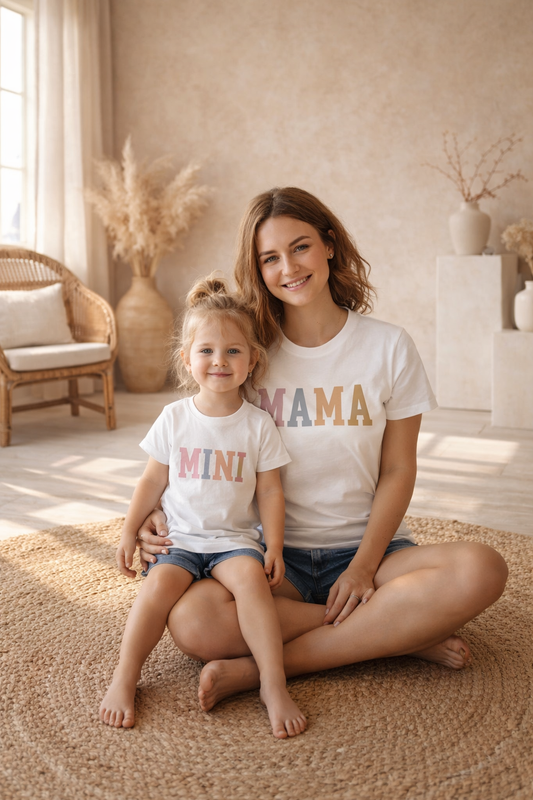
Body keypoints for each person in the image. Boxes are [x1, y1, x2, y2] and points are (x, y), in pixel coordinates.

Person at [137, 187, 508, 714]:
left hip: (373, 557)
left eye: (300, 246)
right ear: (257, 268)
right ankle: (394, 632)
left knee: (483, 569)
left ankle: (268, 668)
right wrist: (155, 506)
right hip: (269, 564)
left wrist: (362, 566)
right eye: (269, 258)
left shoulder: (389, 347)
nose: (288, 267)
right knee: (193, 622)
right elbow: (195, 435)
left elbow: (400, 469)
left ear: (329, 245)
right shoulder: (247, 351)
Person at [100, 276, 307, 738]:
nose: (220, 361)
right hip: (180, 540)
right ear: (187, 359)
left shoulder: (258, 425)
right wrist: (128, 531)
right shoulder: (174, 418)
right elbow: (152, 480)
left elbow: (271, 492)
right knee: (154, 594)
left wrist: (273, 546)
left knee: (253, 587)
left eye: (234, 351)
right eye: (207, 350)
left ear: (253, 359)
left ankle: (272, 684)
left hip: (234, 543)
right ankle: (125, 677)